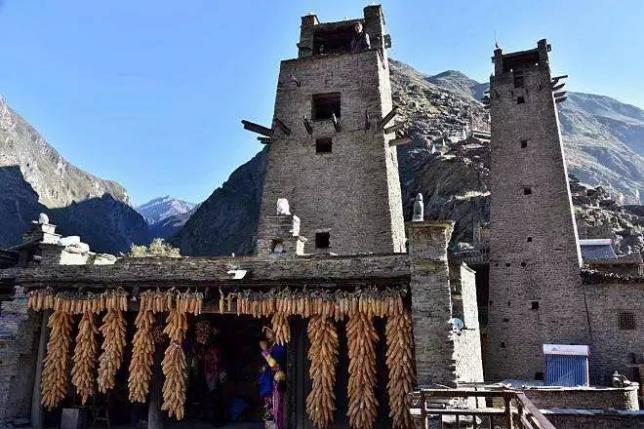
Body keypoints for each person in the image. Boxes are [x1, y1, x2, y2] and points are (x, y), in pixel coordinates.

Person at [258, 327, 287, 429]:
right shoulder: (273, 346)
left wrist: (265, 350)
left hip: (275, 383)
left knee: (276, 410)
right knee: (269, 411)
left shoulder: (280, 347)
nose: (267, 334)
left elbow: (274, 365)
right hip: (268, 385)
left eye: (269, 331)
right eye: (266, 332)